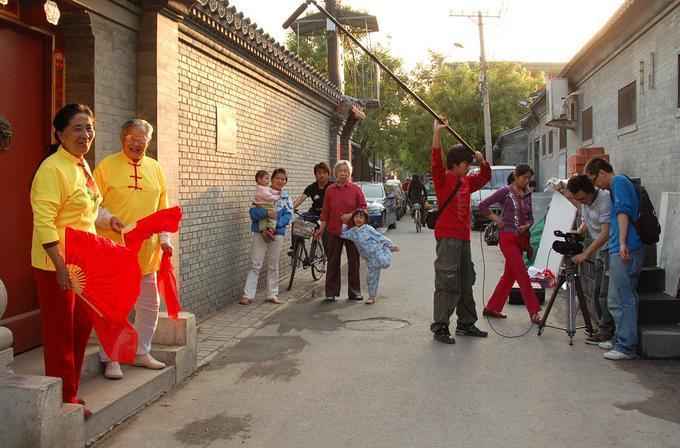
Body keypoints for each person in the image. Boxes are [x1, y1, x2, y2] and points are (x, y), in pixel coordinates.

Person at [30, 104, 124, 415]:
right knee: (60, 333)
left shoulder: (82, 166)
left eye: (89, 128)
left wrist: (108, 222)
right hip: (56, 265)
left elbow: (90, 209)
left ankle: (70, 389)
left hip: (83, 264)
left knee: (82, 326)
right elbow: (44, 221)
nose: (86, 135)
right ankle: (64, 399)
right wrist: (59, 267)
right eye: (78, 129)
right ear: (60, 134)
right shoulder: (52, 169)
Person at [93, 119, 172, 380]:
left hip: (147, 252)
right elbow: (91, 206)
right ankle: (111, 357)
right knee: (114, 306)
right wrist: (108, 219)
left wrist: (165, 240)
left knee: (149, 304)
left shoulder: (155, 168)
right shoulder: (105, 167)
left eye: (143, 140)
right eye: (132, 138)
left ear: (149, 142)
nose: (138, 144)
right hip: (113, 250)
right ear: (122, 138)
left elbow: (163, 210)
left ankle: (141, 352)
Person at [430, 119, 491, 343]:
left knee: (466, 280)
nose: (468, 167)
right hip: (447, 239)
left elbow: (485, 177)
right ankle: (440, 327)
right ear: (454, 164)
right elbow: (436, 161)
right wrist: (437, 132)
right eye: (465, 163)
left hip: (464, 238)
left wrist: (481, 161)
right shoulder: (443, 179)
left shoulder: (466, 181)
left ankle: (466, 323)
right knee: (447, 281)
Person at [584, 158, 643, 360]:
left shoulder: (617, 183)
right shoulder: (619, 184)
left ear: (601, 172)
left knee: (620, 299)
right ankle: (620, 339)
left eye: (594, 180)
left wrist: (623, 242)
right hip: (624, 247)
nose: (595, 186)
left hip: (624, 248)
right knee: (621, 297)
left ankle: (626, 346)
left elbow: (623, 211)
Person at [480, 164, 542, 324]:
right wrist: (497, 221)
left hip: (521, 239)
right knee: (521, 273)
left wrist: (527, 226)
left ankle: (491, 308)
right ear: (516, 176)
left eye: (529, 178)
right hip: (507, 238)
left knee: (509, 276)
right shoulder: (505, 191)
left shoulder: (527, 194)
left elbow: (531, 218)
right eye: (524, 178)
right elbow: (483, 205)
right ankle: (534, 311)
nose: (526, 181)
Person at [566, 174, 613, 345]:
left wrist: (586, 253)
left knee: (605, 293)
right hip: (600, 250)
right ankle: (601, 328)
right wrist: (577, 232)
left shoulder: (604, 199)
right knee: (597, 290)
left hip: (610, 249)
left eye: (582, 198)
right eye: (577, 199)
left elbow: (606, 233)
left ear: (590, 191)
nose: (582, 202)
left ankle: (606, 332)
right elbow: (586, 221)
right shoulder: (586, 202)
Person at [315, 160, 367, 302]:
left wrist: (351, 215)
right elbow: (325, 211)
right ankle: (331, 292)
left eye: (346, 171)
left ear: (349, 173)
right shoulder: (330, 190)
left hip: (352, 231)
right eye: (340, 171)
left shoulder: (356, 189)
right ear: (335, 173)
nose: (343, 173)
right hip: (334, 230)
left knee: (354, 261)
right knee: (333, 261)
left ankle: (354, 291)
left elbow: (363, 207)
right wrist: (321, 228)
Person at [240, 168, 293, 305]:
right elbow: (253, 213)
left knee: (273, 265)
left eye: (283, 179)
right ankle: (248, 295)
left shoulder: (286, 198)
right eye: (278, 178)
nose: (280, 181)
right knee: (255, 263)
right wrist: (266, 215)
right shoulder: (262, 192)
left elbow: (288, 216)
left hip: (277, 234)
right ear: (272, 179)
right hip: (260, 232)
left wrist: (274, 227)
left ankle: (272, 294)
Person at [340, 209, 400, 304]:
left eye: (361, 217)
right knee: (371, 277)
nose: (358, 219)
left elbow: (379, 237)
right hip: (368, 258)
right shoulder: (353, 232)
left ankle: (388, 249)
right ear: (353, 219)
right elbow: (343, 234)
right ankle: (371, 297)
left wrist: (389, 244)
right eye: (356, 217)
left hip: (377, 252)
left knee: (385, 264)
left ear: (365, 219)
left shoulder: (368, 229)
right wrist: (344, 223)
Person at [253, 170, 281, 241]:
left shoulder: (265, 188)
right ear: (259, 179)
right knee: (273, 217)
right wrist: (276, 197)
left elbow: (271, 191)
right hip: (264, 205)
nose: (268, 181)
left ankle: (264, 231)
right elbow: (268, 196)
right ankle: (270, 229)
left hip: (265, 205)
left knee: (264, 219)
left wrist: (277, 192)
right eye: (266, 178)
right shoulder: (260, 188)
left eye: (268, 179)